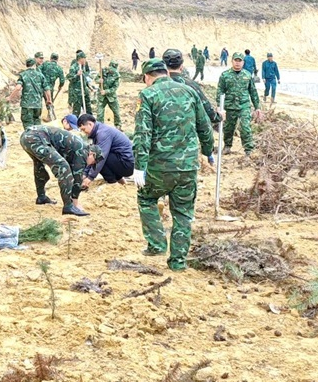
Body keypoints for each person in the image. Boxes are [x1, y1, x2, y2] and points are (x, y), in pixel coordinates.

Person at [132, 57, 215, 272]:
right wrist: (208, 152)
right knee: (183, 213)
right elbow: (204, 126)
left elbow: (143, 133)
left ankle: (157, 244)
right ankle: (178, 262)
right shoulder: (189, 91)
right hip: (187, 167)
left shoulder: (147, 95)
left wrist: (139, 166)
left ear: (146, 77)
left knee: (146, 198)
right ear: (167, 73)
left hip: (159, 167)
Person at [18, 125, 92, 216]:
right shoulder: (83, 150)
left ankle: (41, 197)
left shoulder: (78, 146)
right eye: (93, 162)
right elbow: (77, 176)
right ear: (92, 154)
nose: (90, 165)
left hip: (27, 137)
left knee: (39, 165)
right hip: (36, 138)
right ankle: (68, 206)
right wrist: (75, 201)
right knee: (63, 167)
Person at [163, 48, 222, 131]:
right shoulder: (191, 85)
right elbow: (207, 110)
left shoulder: (154, 87)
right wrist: (218, 116)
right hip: (186, 138)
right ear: (181, 66)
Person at [216, 53, 262, 156]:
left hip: (244, 106)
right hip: (230, 106)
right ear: (232, 61)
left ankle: (248, 150)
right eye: (235, 60)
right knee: (228, 128)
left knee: (245, 127)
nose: (237, 63)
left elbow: (253, 92)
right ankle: (227, 146)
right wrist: (219, 106)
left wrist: (257, 107)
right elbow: (220, 91)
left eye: (239, 61)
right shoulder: (225, 75)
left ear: (243, 62)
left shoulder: (247, 75)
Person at [75, 112, 136, 187]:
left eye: (83, 129)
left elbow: (100, 157)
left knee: (100, 158)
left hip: (127, 164)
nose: (84, 133)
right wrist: (84, 174)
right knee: (96, 156)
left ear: (90, 124)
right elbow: (92, 156)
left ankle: (113, 183)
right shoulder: (97, 132)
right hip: (120, 160)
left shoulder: (103, 133)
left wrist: (90, 178)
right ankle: (119, 180)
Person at [18, 57, 47, 128]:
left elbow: (18, 87)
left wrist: (10, 97)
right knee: (37, 123)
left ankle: (30, 138)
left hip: (27, 105)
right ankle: (38, 137)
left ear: (26, 65)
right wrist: (49, 100)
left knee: (28, 124)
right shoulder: (40, 75)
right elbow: (47, 89)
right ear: (34, 64)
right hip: (38, 104)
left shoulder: (23, 75)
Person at [66, 51, 94, 115]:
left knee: (88, 109)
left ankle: (90, 122)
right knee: (76, 111)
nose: (85, 60)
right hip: (77, 93)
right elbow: (70, 78)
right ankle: (75, 123)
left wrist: (89, 86)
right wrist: (77, 75)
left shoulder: (83, 66)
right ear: (80, 58)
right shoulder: (73, 67)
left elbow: (84, 78)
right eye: (84, 58)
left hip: (84, 91)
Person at [98, 59, 123, 126]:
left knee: (116, 112)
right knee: (99, 113)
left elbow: (114, 88)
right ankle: (100, 126)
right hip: (102, 97)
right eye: (110, 68)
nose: (111, 70)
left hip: (111, 97)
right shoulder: (103, 71)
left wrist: (106, 91)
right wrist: (99, 80)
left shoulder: (117, 76)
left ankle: (118, 126)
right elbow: (96, 79)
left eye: (113, 69)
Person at [41, 53, 65, 119]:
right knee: (49, 101)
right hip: (49, 88)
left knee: (38, 101)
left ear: (50, 58)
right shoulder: (59, 68)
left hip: (40, 86)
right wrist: (60, 86)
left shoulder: (45, 64)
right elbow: (62, 80)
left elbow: (38, 71)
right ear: (57, 59)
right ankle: (51, 116)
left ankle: (37, 116)